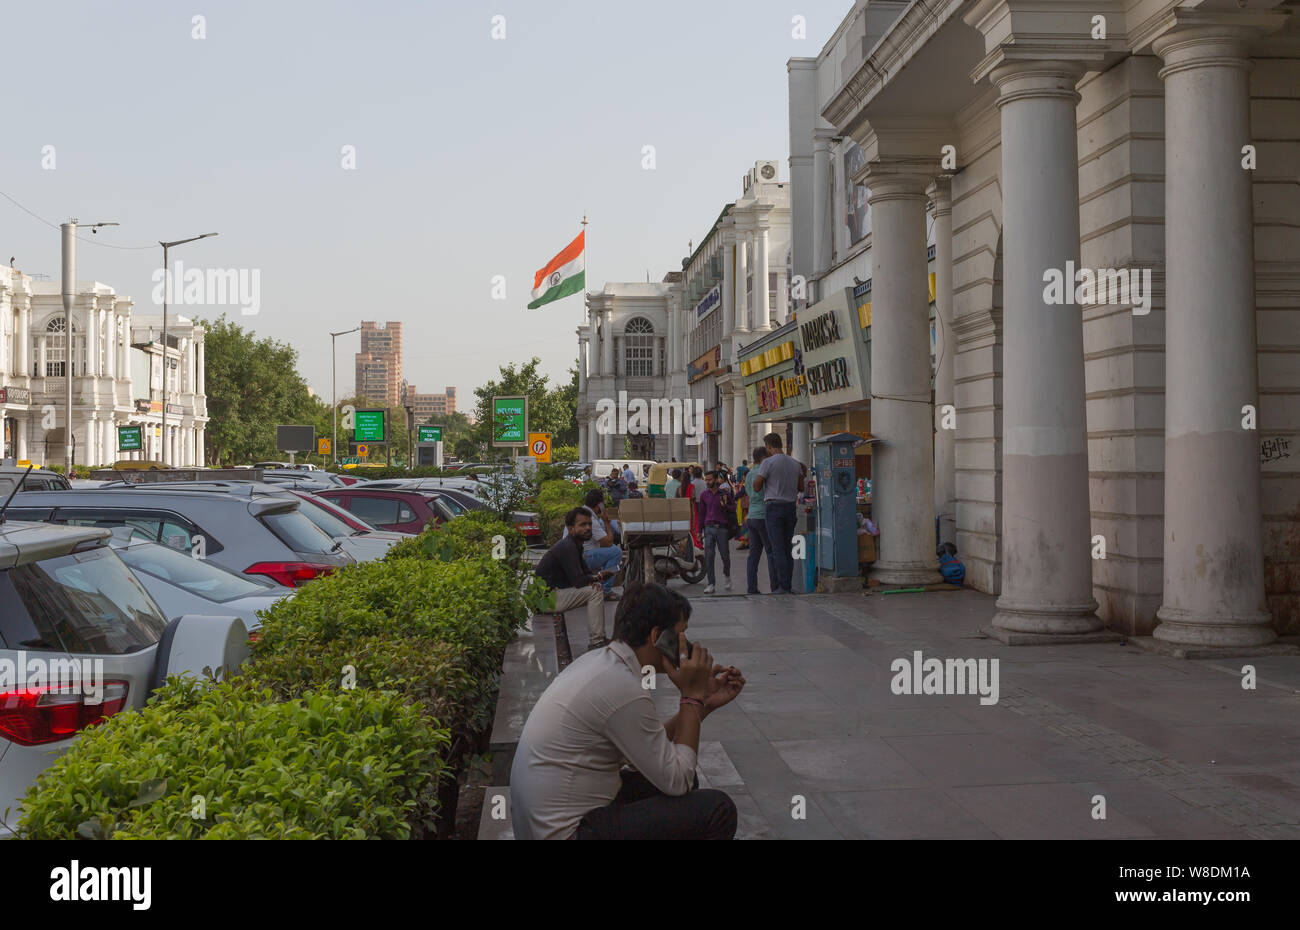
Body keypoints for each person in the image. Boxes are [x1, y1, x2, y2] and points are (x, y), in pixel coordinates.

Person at [510, 583, 745, 840]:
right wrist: (691, 696)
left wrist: (704, 703)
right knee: (717, 809)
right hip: (567, 833)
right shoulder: (622, 688)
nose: (686, 646)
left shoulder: (601, 664)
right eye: (680, 635)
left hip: (549, 825)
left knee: (674, 781)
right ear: (657, 637)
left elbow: (647, 748)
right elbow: (679, 781)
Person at [535, 507, 612, 650]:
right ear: (571, 529)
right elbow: (578, 581)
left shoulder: (576, 545)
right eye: (582, 525)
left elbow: (585, 573)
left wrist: (594, 579)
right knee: (595, 592)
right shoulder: (568, 547)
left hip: (552, 596)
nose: (588, 528)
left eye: (589, 524)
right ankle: (597, 641)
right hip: (546, 600)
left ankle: (599, 638)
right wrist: (599, 577)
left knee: (595, 588)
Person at [752, 432, 805, 595]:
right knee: (788, 547)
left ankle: (783, 586)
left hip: (774, 507)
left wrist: (764, 479)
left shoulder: (767, 463)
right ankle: (787, 584)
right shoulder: (795, 463)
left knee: (777, 548)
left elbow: (756, 487)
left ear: (768, 446)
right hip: (790, 507)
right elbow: (801, 487)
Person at [563, 489, 623, 601]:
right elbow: (608, 542)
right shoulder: (590, 519)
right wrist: (607, 522)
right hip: (581, 557)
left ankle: (599, 584)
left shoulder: (581, 514)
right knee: (616, 552)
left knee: (613, 549)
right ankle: (605, 590)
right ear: (599, 505)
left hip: (575, 555)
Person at [744, 447, 779, 595]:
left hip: (751, 516)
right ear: (763, 458)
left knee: (754, 554)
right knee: (770, 552)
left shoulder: (750, 473)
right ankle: (775, 587)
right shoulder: (763, 472)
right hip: (763, 515)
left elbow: (747, 492)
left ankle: (752, 587)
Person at [699, 470, 735, 594]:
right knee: (709, 556)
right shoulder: (704, 495)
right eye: (706, 479)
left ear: (715, 480)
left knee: (725, 555)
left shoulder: (724, 494)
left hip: (722, 528)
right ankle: (711, 583)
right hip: (708, 528)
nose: (707, 482)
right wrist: (699, 531)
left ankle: (727, 575)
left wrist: (725, 505)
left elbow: (733, 508)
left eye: (709, 479)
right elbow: (701, 513)